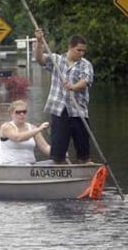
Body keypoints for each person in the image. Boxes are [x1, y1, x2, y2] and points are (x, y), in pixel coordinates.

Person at [34, 29, 94, 164]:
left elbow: (84, 82)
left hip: (78, 111)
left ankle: (86, 171)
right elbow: (40, 60)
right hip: (59, 111)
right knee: (58, 154)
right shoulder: (56, 60)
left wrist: (73, 86)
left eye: (83, 51)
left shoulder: (86, 64)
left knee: (84, 152)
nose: (81, 53)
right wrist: (39, 42)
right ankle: (59, 177)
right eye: (79, 50)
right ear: (70, 47)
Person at [0, 100, 51, 165]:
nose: (22, 114)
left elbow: (45, 147)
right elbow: (18, 138)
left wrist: (60, 153)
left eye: (24, 112)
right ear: (11, 113)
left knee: (59, 161)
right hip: (11, 165)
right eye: (18, 112)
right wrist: (39, 129)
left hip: (31, 166)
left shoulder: (33, 128)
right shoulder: (6, 127)